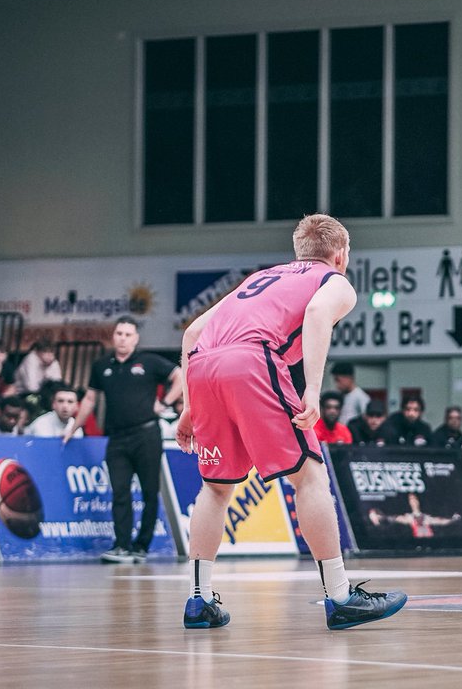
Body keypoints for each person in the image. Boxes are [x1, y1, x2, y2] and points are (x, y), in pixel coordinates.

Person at [173, 213, 406, 630]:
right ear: (341, 254)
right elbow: (317, 314)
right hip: (251, 361)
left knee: (215, 487)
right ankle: (340, 597)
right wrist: (313, 389)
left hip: (204, 368)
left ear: (299, 250)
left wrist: (190, 407)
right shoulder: (334, 282)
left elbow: (192, 333)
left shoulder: (260, 278)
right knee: (310, 477)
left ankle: (199, 600)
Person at [61, 316, 182, 564]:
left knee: (150, 492)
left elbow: (180, 376)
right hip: (116, 438)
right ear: (113, 336)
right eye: (119, 333)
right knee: (120, 492)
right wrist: (74, 427)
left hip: (146, 434)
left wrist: (165, 403)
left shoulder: (149, 361)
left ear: (136, 338)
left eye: (128, 334)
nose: (123, 338)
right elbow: (90, 400)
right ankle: (121, 545)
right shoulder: (101, 365)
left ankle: (142, 546)